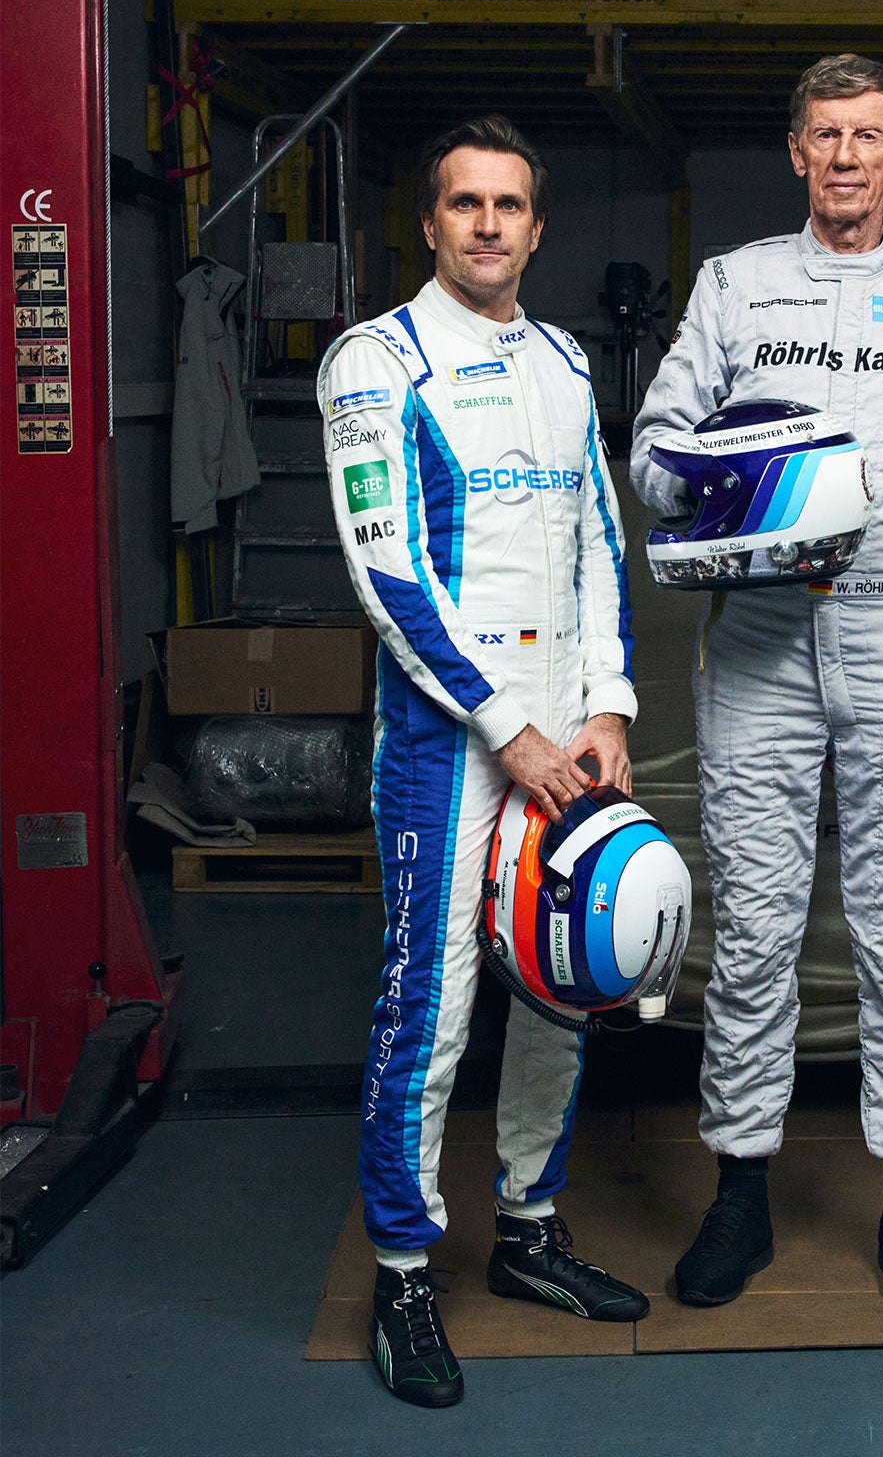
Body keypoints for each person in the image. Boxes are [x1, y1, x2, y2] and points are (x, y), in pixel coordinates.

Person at [630, 54, 883, 1313]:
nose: (848, 157)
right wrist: (729, 492)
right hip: (756, 641)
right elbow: (650, 451)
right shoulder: (735, 284)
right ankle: (739, 1195)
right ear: (797, 153)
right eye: (825, 136)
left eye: (870, 136)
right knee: (751, 933)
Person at [319, 115, 648, 1409]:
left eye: (511, 204)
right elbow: (385, 567)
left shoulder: (566, 362)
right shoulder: (375, 362)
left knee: (567, 984)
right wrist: (504, 722)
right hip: (450, 746)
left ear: (538, 223)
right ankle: (404, 1269)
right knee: (431, 1006)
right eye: (467, 204)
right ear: (430, 220)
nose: (490, 225)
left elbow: (600, 547)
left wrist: (607, 708)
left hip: (570, 735)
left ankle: (528, 1228)